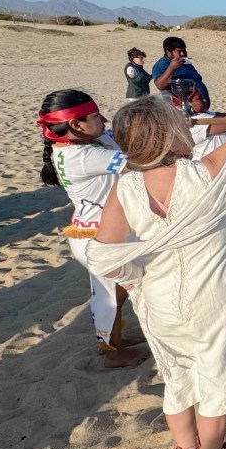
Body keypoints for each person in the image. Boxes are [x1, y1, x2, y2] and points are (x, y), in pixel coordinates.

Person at [89, 53, 226, 449]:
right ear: (169, 135)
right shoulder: (204, 174)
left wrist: (134, 280)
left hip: (160, 302)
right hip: (214, 299)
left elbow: (103, 253)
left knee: (178, 380)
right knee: (215, 382)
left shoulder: (123, 188)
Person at [36, 90, 150, 368]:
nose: (103, 119)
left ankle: (114, 342)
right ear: (76, 125)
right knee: (110, 295)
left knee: (118, 292)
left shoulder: (87, 141)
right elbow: (142, 164)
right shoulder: (81, 155)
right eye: (96, 116)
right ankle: (112, 352)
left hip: (100, 231)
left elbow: (119, 138)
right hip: (100, 237)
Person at [152, 36, 210, 106]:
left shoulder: (185, 62)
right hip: (182, 110)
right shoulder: (161, 65)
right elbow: (160, 85)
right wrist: (171, 69)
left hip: (200, 108)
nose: (183, 53)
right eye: (179, 51)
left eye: (184, 50)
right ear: (168, 52)